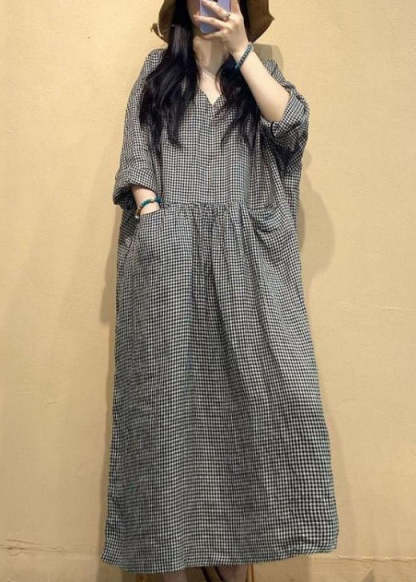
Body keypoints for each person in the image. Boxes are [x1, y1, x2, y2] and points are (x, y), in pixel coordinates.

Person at [100, 1, 339, 581]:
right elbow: (136, 152)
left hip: (248, 269)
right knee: (168, 416)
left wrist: (240, 50)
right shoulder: (158, 72)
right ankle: (169, 556)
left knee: (260, 412)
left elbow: (294, 126)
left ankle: (236, 561)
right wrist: (153, 215)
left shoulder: (260, 76)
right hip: (170, 270)